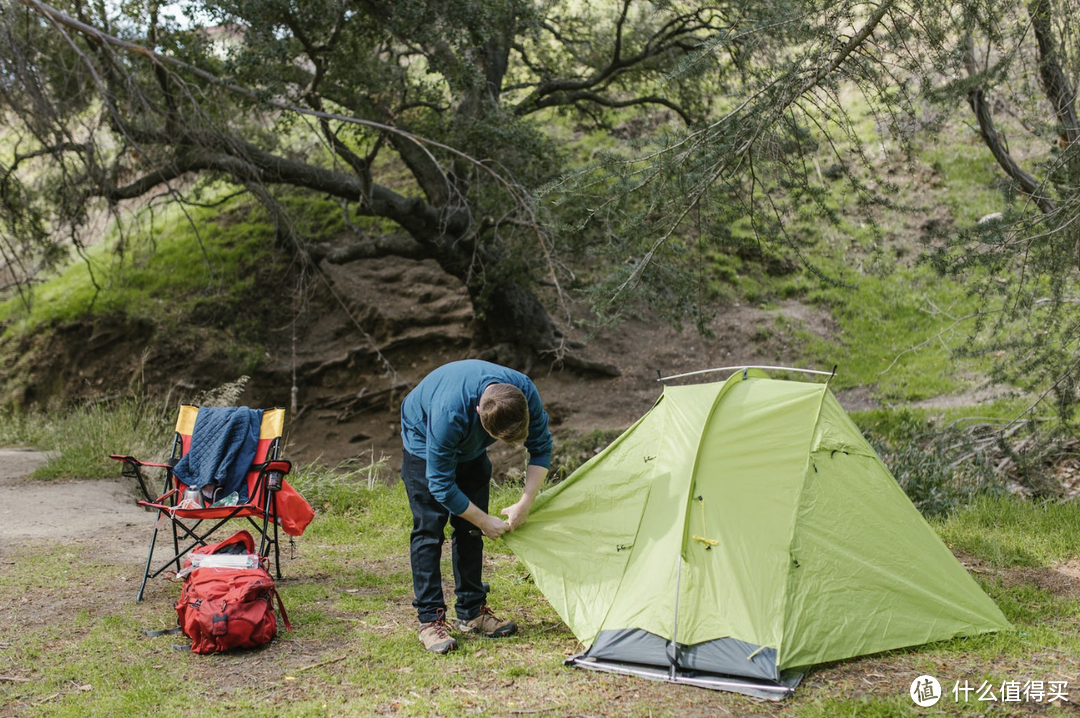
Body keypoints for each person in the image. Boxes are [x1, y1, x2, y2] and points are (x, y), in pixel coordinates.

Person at [399, 359, 552, 654]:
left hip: (469, 443)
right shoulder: (448, 414)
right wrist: (484, 520)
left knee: (469, 530)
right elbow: (440, 485)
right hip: (423, 435)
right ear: (480, 413)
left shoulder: (524, 392)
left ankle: (471, 611)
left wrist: (526, 502)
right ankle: (430, 620)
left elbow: (542, 447)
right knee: (429, 528)